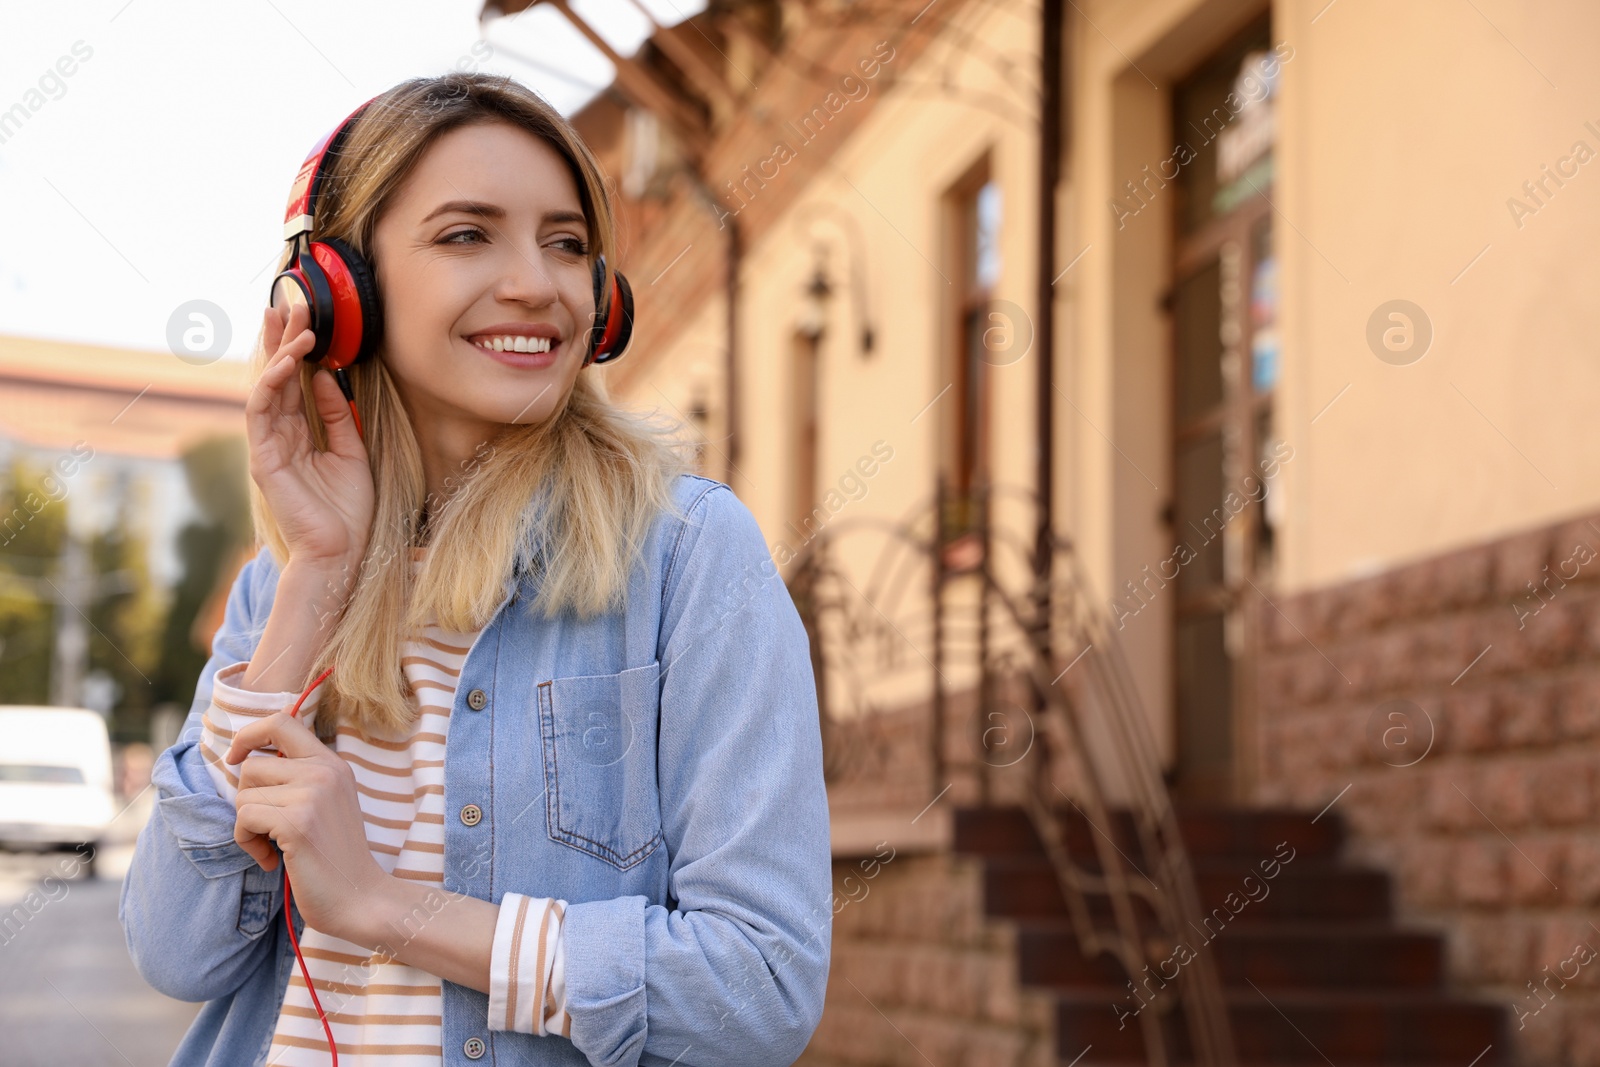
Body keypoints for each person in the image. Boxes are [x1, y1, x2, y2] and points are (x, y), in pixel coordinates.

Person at [118, 72, 831, 1067]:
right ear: (339, 292)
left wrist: (387, 907)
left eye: (567, 243)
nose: (538, 284)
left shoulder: (686, 554)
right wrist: (319, 570)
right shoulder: (277, 586)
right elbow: (177, 948)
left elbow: (761, 986)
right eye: (467, 235)